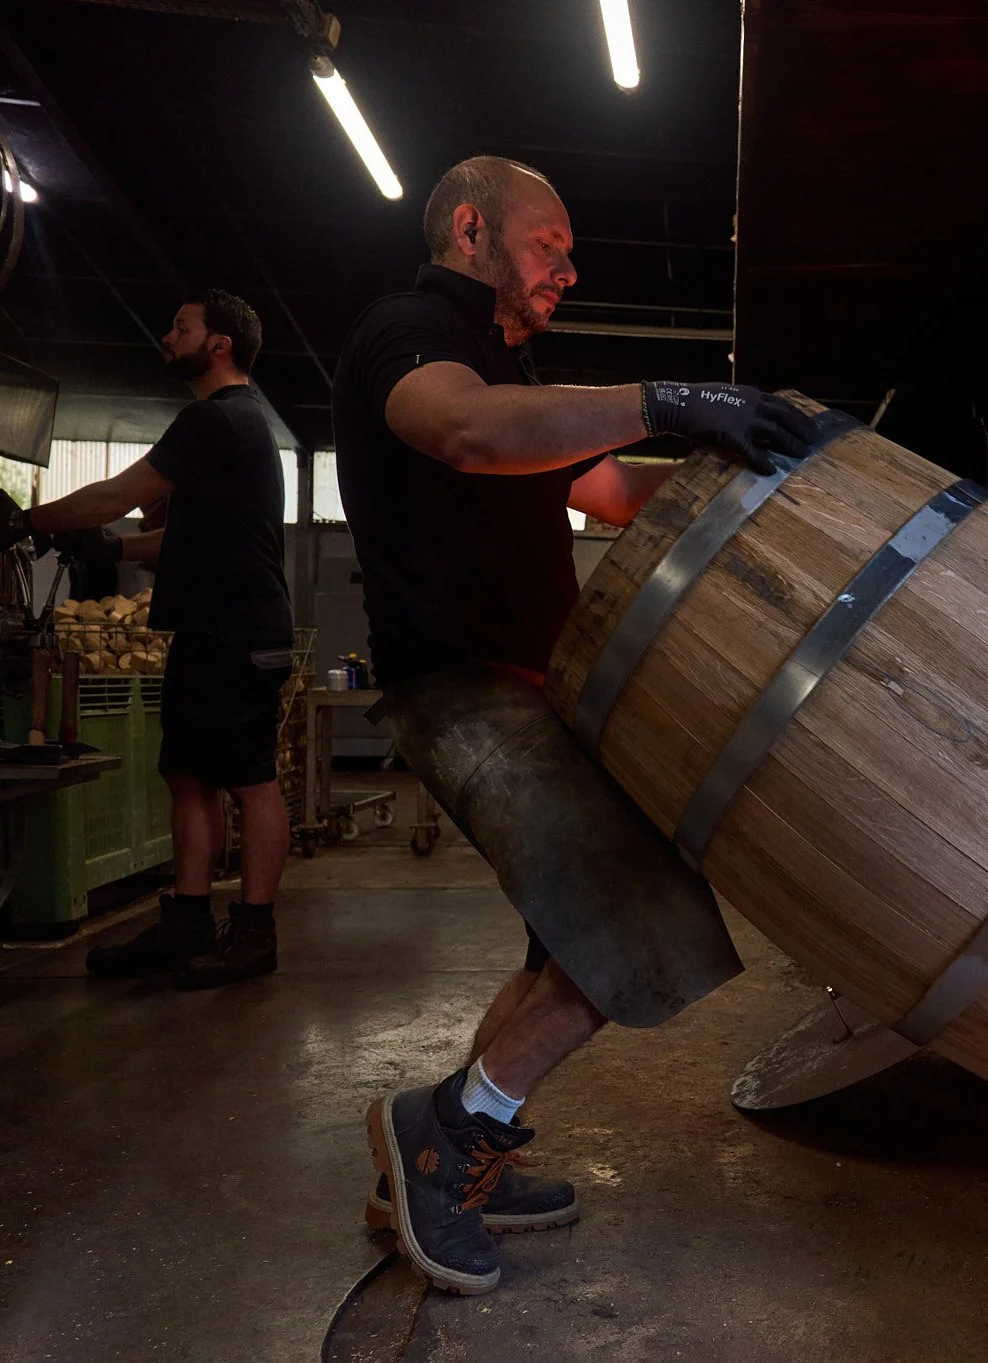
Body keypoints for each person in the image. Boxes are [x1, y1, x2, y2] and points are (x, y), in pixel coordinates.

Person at [331, 155, 816, 1295]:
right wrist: (668, 397)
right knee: (636, 924)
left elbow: (600, 490)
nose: (568, 265)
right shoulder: (406, 333)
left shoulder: (508, 370)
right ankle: (446, 1129)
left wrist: (748, 462)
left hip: (535, 684)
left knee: (565, 944)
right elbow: (465, 432)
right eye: (547, 243)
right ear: (470, 229)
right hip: (463, 685)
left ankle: (444, 1162)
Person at [0, 290, 295, 990]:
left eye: (181, 326)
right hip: (213, 628)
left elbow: (116, 491)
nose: (166, 335)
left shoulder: (215, 420)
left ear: (219, 344)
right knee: (186, 774)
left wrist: (32, 522)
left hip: (238, 632)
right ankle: (187, 921)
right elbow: (181, 534)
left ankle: (254, 933)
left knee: (250, 781)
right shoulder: (238, 424)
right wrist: (113, 546)